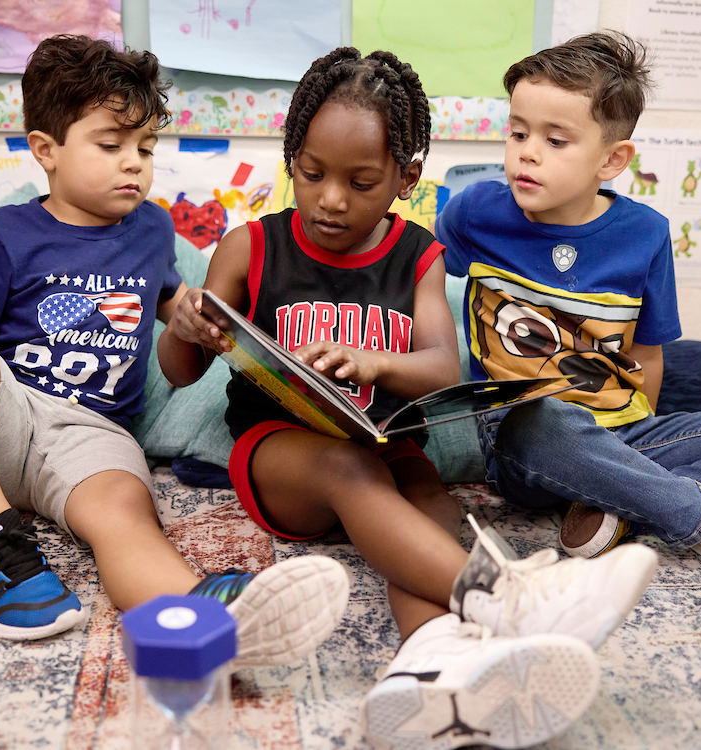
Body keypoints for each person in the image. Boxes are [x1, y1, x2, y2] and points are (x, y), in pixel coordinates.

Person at [158, 46, 661, 749]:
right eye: (311, 173)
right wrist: (184, 325)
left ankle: (422, 667)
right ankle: (513, 601)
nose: (332, 198)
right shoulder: (250, 246)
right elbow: (179, 371)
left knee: (429, 500)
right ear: (291, 159)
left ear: (406, 177)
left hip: (388, 445)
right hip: (284, 458)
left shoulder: (419, 254)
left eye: (362, 182)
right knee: (351, 469)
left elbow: (439, 369)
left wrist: (374, 361)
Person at [0, 35, 348, 654]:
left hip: (92, 434)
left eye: (146, 147)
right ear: (45, 151)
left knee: (127, 517)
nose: (134, 162)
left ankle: (209, 616)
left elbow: (172, 304)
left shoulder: (152, 230)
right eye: (111, 145)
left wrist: (195, 317)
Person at [435, 32, 701, 574]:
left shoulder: (645, 235)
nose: (526, 153)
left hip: (624, 428)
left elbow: (647, 355)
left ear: (612, 159)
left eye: (556, 141)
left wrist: (625, 451)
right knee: (541, 419)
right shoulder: (476, 213)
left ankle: (615, 507)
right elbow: (421, 283)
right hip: (520, 437)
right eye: (517, 133)